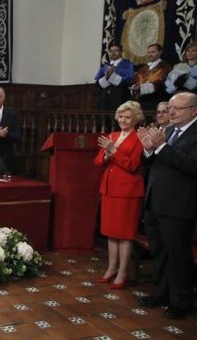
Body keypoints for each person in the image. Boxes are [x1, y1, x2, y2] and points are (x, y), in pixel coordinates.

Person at [136, 92, 197, 320]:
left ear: (194, 110)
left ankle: (181, 300)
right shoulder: (168, 131)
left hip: (179, 206)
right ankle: (161, 293)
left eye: (177, 108)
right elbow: (151, 165)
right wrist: (148, 149)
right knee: (159, 252)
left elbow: (192, 166)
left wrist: (161, 148)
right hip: (155, 201)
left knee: (178, 255)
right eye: (169, 108)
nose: (171, 112)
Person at [93, 100, 145, 289]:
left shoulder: (140, 137)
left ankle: (122, 272)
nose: (123, 120)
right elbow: (98, 161)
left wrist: (113, 150)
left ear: (135, 119)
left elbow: (132, 165)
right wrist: (106, 154)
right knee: (111, 233)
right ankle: (111, 268)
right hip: (109, 189)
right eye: (121, 116)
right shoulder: (112, 135)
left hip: (127, 192)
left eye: (127, 117)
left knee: (124, 234)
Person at [129, 43, 171, 111]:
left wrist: (141, 88)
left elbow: (160, 82)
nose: (150, 54)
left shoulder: (165, 66)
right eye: (148, 52)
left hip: (156, 99)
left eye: (153, 52)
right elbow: (135, 80)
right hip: (141, 100)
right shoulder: (143, 68)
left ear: (160, 52)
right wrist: (134, 87)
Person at [95, 43, 134, 111]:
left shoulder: (127, 64)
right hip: (104, 97)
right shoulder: (105, 66)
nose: (113, 53)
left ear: (121, 52)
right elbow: (97, 83)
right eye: (111, 51)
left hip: (119, 95)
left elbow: (128, 80)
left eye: (116, 50)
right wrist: (106, 77)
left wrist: (112, 76)